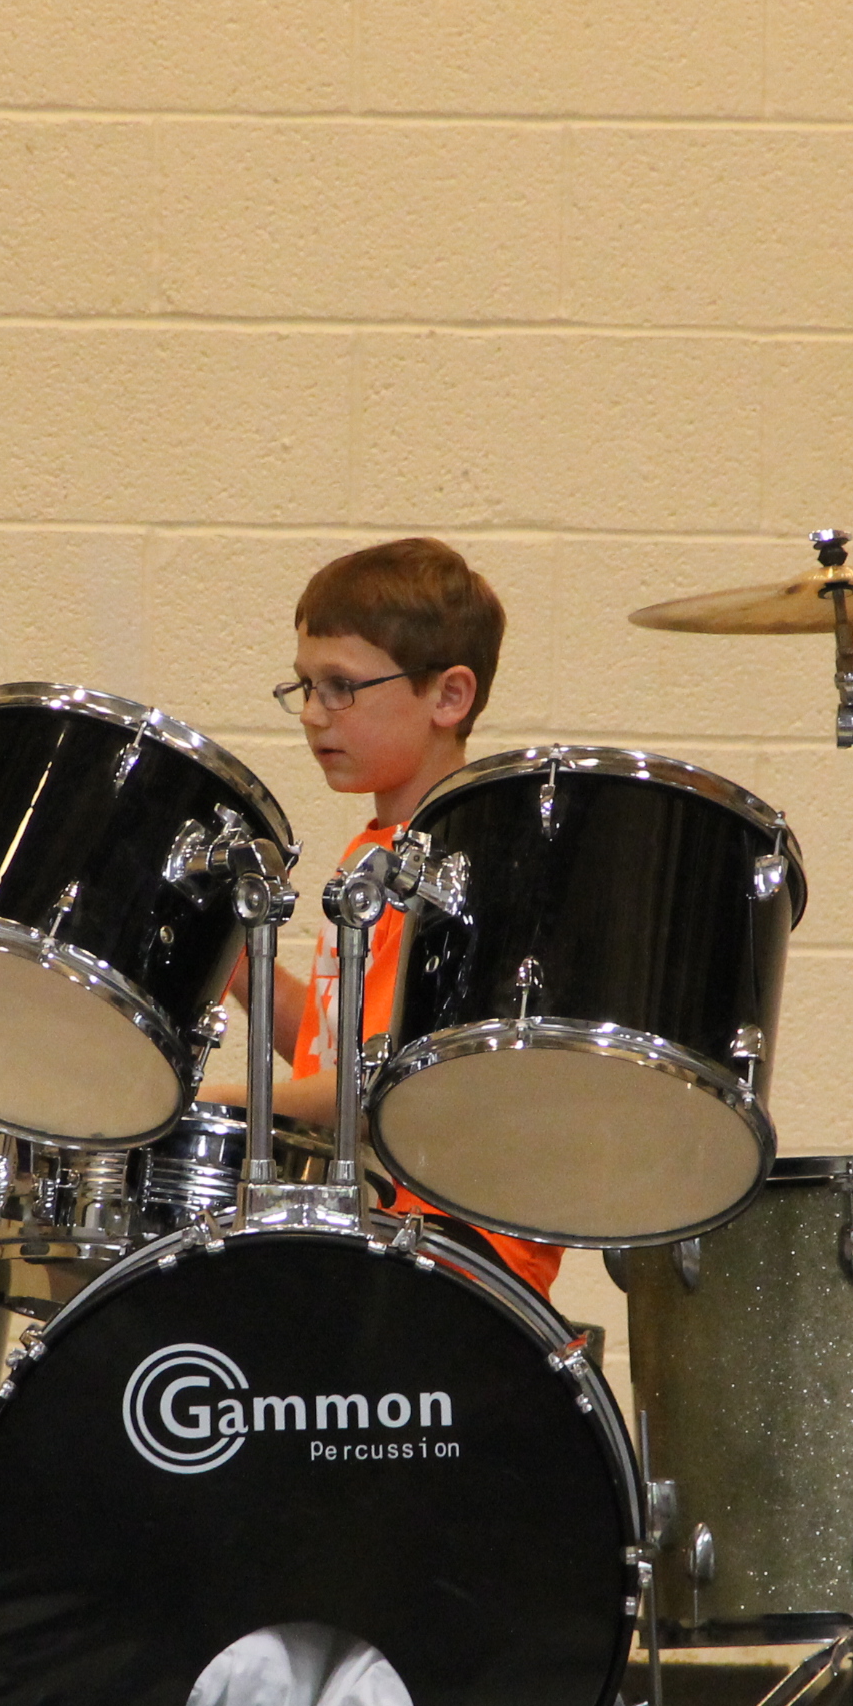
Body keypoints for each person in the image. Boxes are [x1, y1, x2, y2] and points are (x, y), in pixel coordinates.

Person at [224, 536, 563, 1297]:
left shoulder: (463, 867)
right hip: (372, 1229)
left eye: (341, 687)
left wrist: (204, 1105)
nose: (313, 714)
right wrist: (236, 961)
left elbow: (380, 1089)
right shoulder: (375, 849)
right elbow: (334, 1050)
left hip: (454, 1256)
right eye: (305, 685)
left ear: (449, 697)